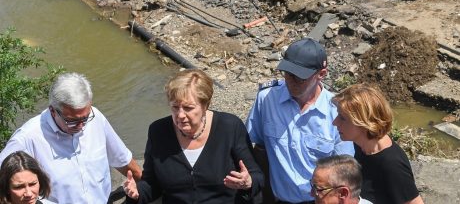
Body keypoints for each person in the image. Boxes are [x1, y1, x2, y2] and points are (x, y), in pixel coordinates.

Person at [124, 69, 263, 203]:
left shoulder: (230, 127)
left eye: (188, 108)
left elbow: (257, 177)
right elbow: (151, 184)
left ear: (205, 105)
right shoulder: (158, 131)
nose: (180, 115)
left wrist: (248, 182)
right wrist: (136, 192)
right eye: (175, 107)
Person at [0, 72, 142, 203]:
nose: (81, 126)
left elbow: (122, 159)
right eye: (72, 120)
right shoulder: (27, 138)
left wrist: (149, 185)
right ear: (52, 111)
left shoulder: (96, 118)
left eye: (85, 118)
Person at [246, 38, 354, 204]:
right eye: (288, 74)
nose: (291, 82)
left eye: (300, 78)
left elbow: (345, 169)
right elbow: (259, 148)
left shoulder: (337, 112)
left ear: (321, 74)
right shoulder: (267, 99)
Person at [332, 83, 424, 204]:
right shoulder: (361, 146)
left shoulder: (391, 165)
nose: (335, 122)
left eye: (342, 118)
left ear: (364, 122)